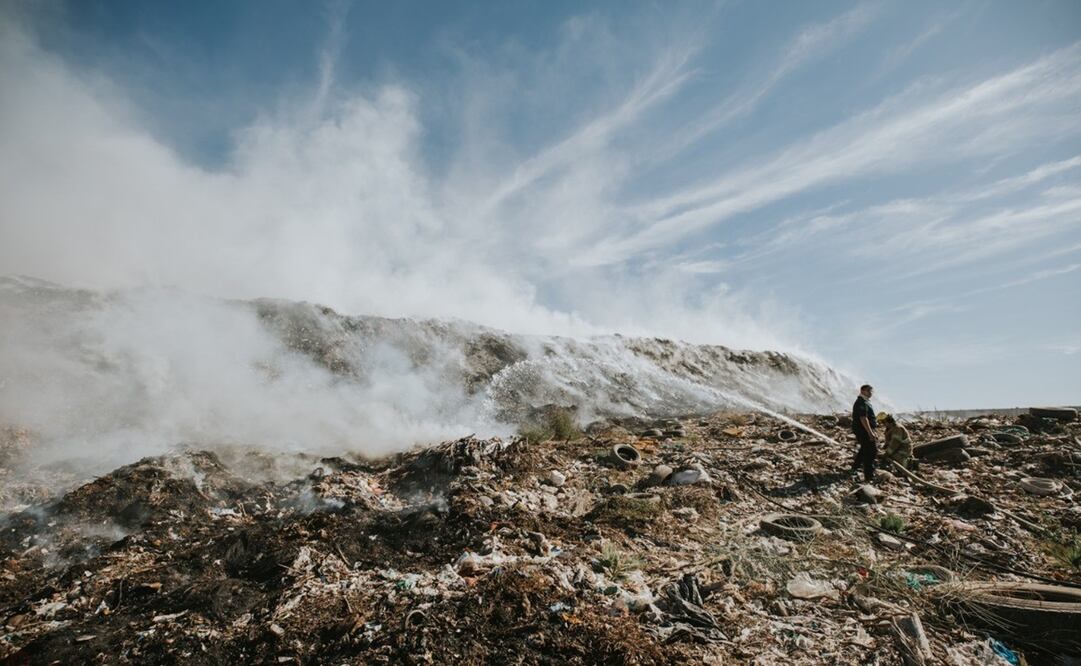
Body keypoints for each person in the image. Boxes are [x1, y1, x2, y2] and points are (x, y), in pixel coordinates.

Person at [850, 384, 877, 482]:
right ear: (862, 391)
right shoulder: (861, 402)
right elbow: (863, 418)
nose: (871, 393)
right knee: (871, 451)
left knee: (864, 449)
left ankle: (855, 467)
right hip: (863, 431)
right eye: (868, 391)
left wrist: (873, 431)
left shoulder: (865, 402)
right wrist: (870, 432)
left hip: (865, 430)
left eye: (871, 391)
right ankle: (869, 476)